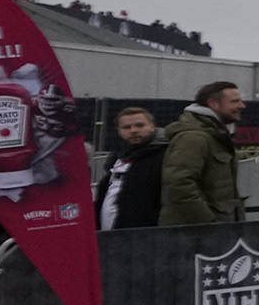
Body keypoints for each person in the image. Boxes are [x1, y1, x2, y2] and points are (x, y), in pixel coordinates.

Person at [160, 81, 246, 226]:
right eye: (234, 101)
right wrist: (209, 222)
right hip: (194, 233)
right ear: (213, 104)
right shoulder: (194, 137)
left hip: (213, 231)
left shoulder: (216, 135)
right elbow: (179, 185)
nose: (242, 106)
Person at [99, 104, 167, 230]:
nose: (133, 130)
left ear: (152, 126)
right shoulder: (117, 156)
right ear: (119, 131)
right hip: (109, 232)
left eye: (140, 125)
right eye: (126, 127)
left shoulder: (165, 155)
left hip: (144, 233)